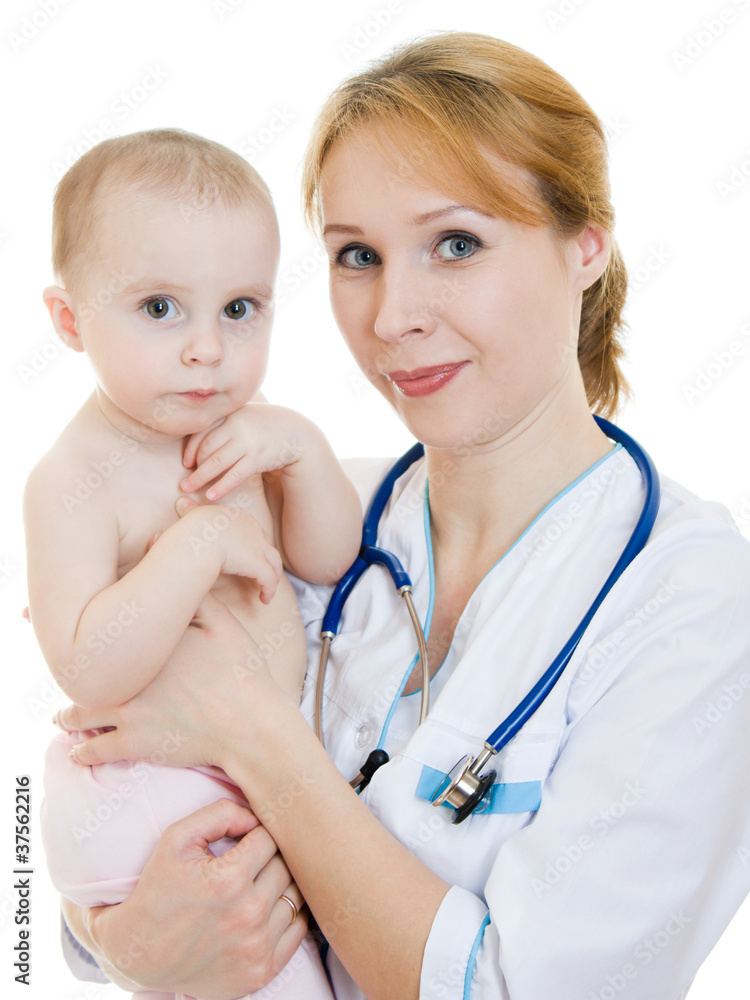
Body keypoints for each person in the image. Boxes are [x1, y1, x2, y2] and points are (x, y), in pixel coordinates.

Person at [51, 33, 750, 1000]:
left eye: (456, 244)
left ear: (585, 245)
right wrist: (110, 937)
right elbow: (118, 781)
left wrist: (258, 739)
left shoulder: (692, 600)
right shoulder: (298, 511)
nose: (391, 316)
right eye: (357, 256)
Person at [25, 128, 361, 999]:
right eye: (160, 308)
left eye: (240, 309)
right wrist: (200, 542)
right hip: (150, 796)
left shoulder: (244, 431)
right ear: (69, 321)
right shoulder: (72, 478)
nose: (208, 348)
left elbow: (329, 559)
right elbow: (88, 668)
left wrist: (303, 450)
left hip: (238, 775)